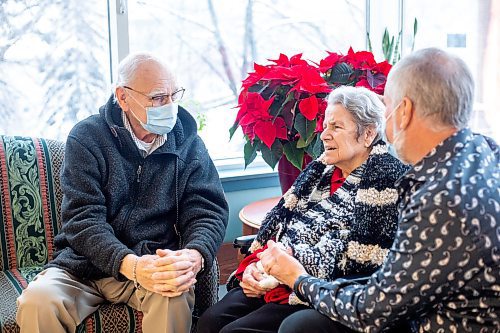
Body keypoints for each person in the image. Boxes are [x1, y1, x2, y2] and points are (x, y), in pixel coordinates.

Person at [259, 47, 500, 333]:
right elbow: (397, 280)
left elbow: (373, 311)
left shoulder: (440, 196)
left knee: (300, 327)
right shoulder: (485, 151)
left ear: (405, 110)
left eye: (386, 105)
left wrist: (298, 279)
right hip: (431, 301)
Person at [16, 53, 229, 333]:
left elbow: (207, 209)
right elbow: (83, 220)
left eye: (174, 95)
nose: (169, 106)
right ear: (123, 97)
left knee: (173, 296)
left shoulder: (187, 142)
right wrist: (129, 265)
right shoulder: (87, 138)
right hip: (85, 266)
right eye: (157, 97)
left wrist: (195, 253)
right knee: (37, 302)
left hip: (153, 262)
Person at [197, 86, 409, 333]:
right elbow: (278, 231)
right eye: (325, 127)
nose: (324, 135)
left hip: (318, 288)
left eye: (336, 127)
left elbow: (357, 261)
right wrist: (255, 267)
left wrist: (278, 271)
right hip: (275, 272)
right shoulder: (319, 174)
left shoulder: (384, 184)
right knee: (210, 321)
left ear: (368, 135)